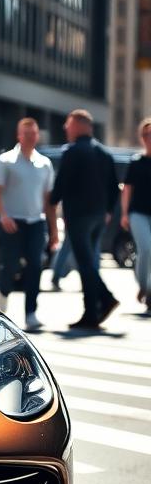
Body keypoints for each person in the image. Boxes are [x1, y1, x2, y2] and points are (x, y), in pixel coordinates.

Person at [50, 109, 120, 329]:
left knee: (85, 264)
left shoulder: (72, 152)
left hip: (79, 216)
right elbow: (114, 188)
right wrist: (107, 211)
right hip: (99, 216)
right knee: (88, 263)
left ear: (80, 125)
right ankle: (102, 302)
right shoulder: (104, 153)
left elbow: (61, 184)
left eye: (68, 125)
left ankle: (94, 311)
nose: (65, 129)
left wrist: (51, 201)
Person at [0, 118, 58, 330]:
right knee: (10, 265)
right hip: (12, 221)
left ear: (37, 136)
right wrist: (3, 215)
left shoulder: (45, 164)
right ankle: (2, 297)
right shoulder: (6, 160)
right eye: (26, 133)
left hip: (35, 222)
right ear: (19, 136)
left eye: (33, 133)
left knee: (35, 266)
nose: (30, 137)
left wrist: (54, 231)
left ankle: (31, 313)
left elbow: (49, 201)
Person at [121, 116, 151, 312]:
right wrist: (124, 213)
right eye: (147, 134)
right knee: (146, 249)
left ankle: (149, 293)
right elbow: (127, 189)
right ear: (142, 138)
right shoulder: (136, 161)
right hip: (137, 213)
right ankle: (144, 286)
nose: (150, 138)